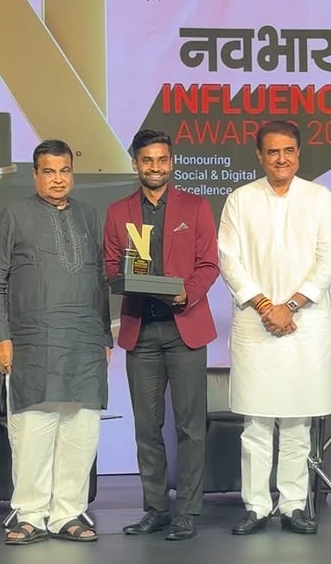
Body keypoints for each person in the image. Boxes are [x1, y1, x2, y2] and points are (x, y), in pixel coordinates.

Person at [0, 139, 111, 545]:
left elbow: (100, 280)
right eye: (49, 172)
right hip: (32, 342)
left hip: (85, 342)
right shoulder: (14, 215)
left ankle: (67, 513)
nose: (58, 179)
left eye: (65, 171)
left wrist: (105, 336)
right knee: (32, 432)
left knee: (81, 432)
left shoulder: (89, 215)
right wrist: (0, 337)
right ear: (35, 174)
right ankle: (30, 514)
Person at [218, 120, 331, 536]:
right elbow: (229, 260)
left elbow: (329, 259)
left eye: (288, 150)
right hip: (256, 324)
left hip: (304, 323)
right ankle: (256, 506)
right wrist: (266, 306)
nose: (281, 159)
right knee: (256, 422)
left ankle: (292, 505)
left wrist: (289, 306)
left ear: (299, 153)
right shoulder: (240, 199)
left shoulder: (320, 198)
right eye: (272, 151)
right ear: (259, 155)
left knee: (296, 422)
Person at [103, 129, 219, 541]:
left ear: (172, 162)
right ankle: (155, 508)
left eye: (162, 160)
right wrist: (125, 280)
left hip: (185, 327)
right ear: (135, 163)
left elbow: (209, 264)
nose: (155, 167)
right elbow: (111, 267)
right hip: (141, 329)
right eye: (147, 160)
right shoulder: (118, 211)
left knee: (190, 427)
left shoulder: (196, 207)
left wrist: (187, 292)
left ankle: (186, 511)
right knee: (147, 427)